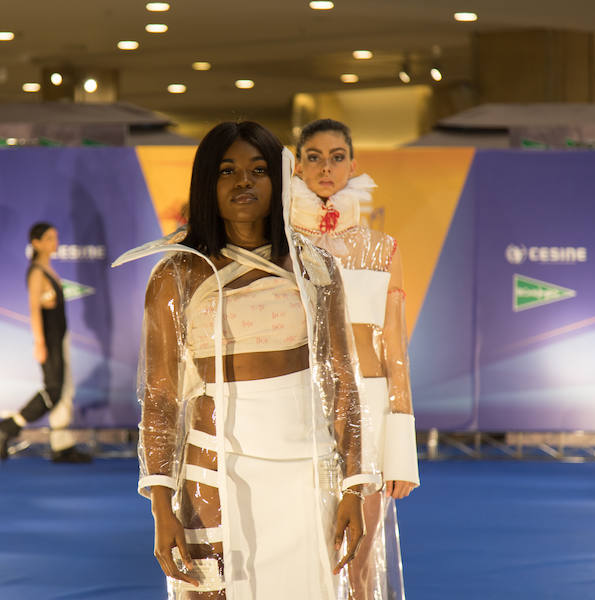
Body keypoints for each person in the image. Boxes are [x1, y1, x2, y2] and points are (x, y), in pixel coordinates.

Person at [113, 121, 383, 599]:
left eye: (259, 170)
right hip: (211, 468)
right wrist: (159, 503)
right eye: (227, 170)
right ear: (206, 183)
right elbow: (159, 397)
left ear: (277, 181)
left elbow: (341, 378)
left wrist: (353, 486)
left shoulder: (314, 268)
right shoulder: (176, 274)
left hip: (306, 467)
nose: (244, 182)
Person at [292, 118, 420, 599]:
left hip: (369, 408)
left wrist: (402, 449)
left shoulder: (382, 249)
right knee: (305, 547)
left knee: (362, 557)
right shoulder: (279, 247)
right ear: (297, 162)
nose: (326, 167)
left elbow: (395, 347)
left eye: (337, 156)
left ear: (353, 164)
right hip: (296, 402)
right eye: (314, 156)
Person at [0, 223, 92, 463]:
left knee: (64, 391)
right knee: (53, 390)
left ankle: (62, 444)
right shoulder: (36, 272)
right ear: (35, 243)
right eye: (48, 238)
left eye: (55, 237)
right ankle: (9, 426)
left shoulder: (48, 268)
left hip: (59, 335)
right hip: (49, 338)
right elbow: (34, 309)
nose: (54, 242)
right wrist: (40, 343)